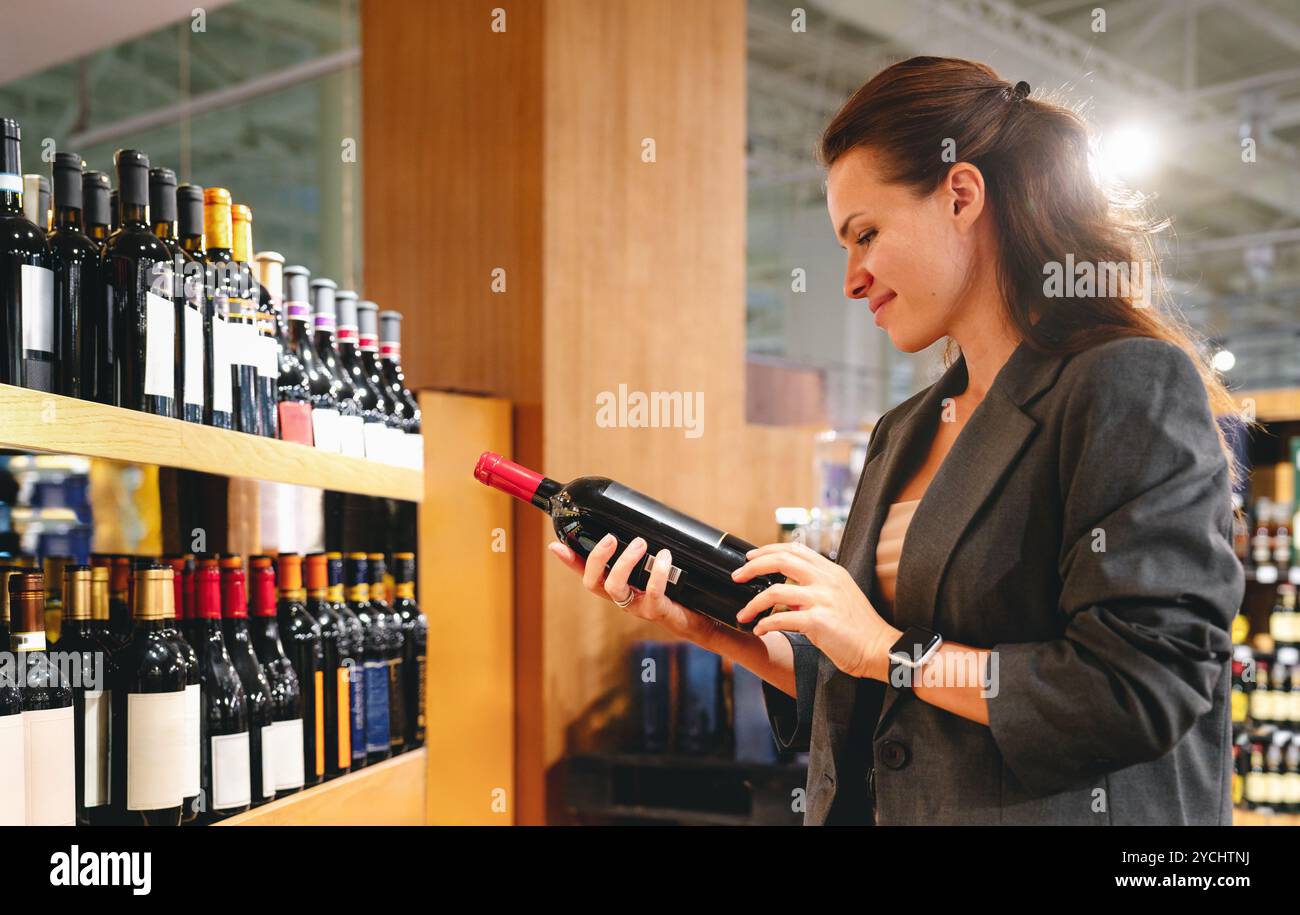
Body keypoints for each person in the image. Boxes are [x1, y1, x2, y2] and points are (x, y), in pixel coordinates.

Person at [547, 56, 1244, 825]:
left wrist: (886, 648)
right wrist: (718, 629)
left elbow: (1138, 689)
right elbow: (873, 685)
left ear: (961, 195)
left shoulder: (1124, 386)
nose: (850, 277)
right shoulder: (905, 431)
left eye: (866, 233)